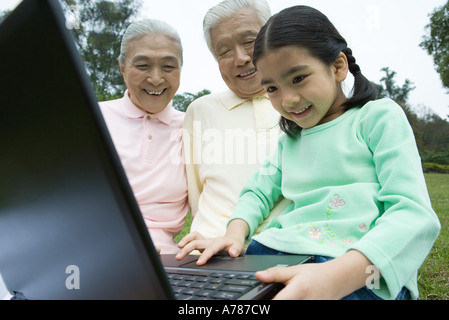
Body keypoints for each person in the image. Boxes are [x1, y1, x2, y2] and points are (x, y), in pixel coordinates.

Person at [177, 5, 441, 300]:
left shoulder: (377, 117)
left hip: (356, 267)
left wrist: (336, 278)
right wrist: (234, 235)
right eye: (272, 88)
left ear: (338, 66)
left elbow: (413, 213)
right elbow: (257, 192)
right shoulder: (290, 140)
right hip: (277, 252)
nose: (288, 99)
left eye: (299, 78)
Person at [181, 0, 291, 243]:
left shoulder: (301, 105)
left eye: (249, 42)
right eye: (224, 51)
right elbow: (196, 197)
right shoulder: (200, 111)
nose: (240, 58)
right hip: (209, 252)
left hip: (282, 250)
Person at [99, 19, 188, 254]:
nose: (156, 79)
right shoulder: (95, 118)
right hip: (95, 248)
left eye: (168, 67)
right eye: (143, 65)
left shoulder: (192, 126)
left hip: (163, 259)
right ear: (122, 67)